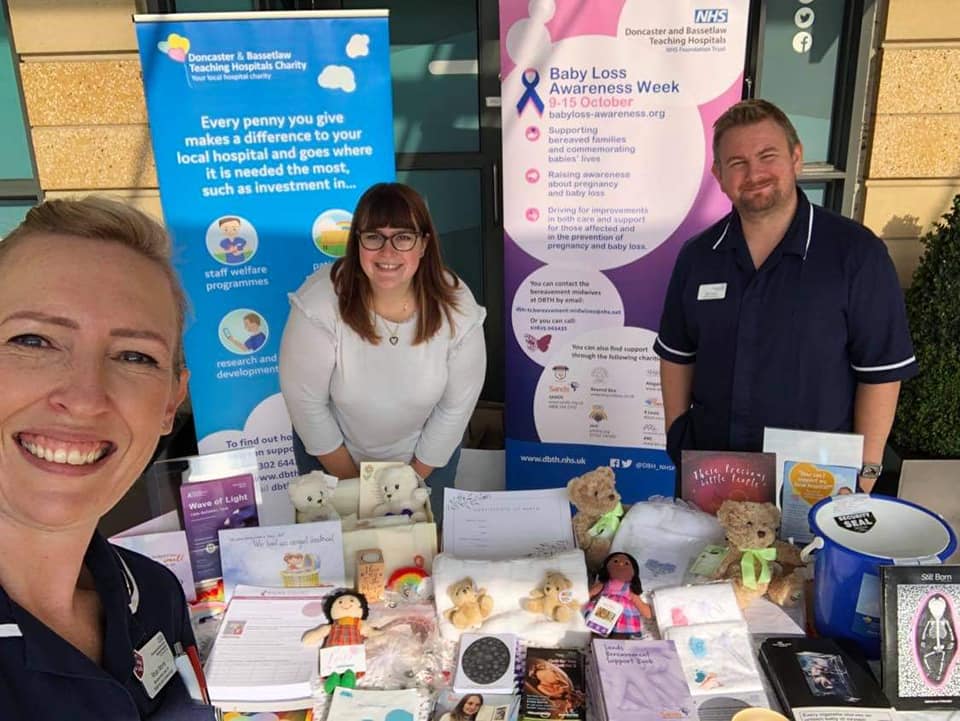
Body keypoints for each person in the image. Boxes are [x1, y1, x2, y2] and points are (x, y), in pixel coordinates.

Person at [0, 197, 212, 719]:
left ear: (170, 402)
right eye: (34, 340)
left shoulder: (155, 596)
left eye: (135, 356)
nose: (86, 397)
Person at [655, 99, 918, 493]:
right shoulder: (698, 257)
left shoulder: (856, 254)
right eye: (737, 162)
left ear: (796, 158)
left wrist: (866, 472)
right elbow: (677, 355)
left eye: (767, 155)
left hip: (815, 479)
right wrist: (677, 437)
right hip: (714, 472)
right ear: (719, 175)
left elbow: (880, 373)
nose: (754, 173)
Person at [279, 183, 487, 522]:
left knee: (420, 554)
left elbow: (455, 407)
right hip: (332, 455)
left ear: (424, 244)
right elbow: (306, 403)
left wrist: (409, 482)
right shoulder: (319, 302)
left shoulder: (456, 306)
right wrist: (360, 494)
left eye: (403, 237)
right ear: (357, 242)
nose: (387, 252)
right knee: (342, 563)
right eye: (374, 237)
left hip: (426, 458)